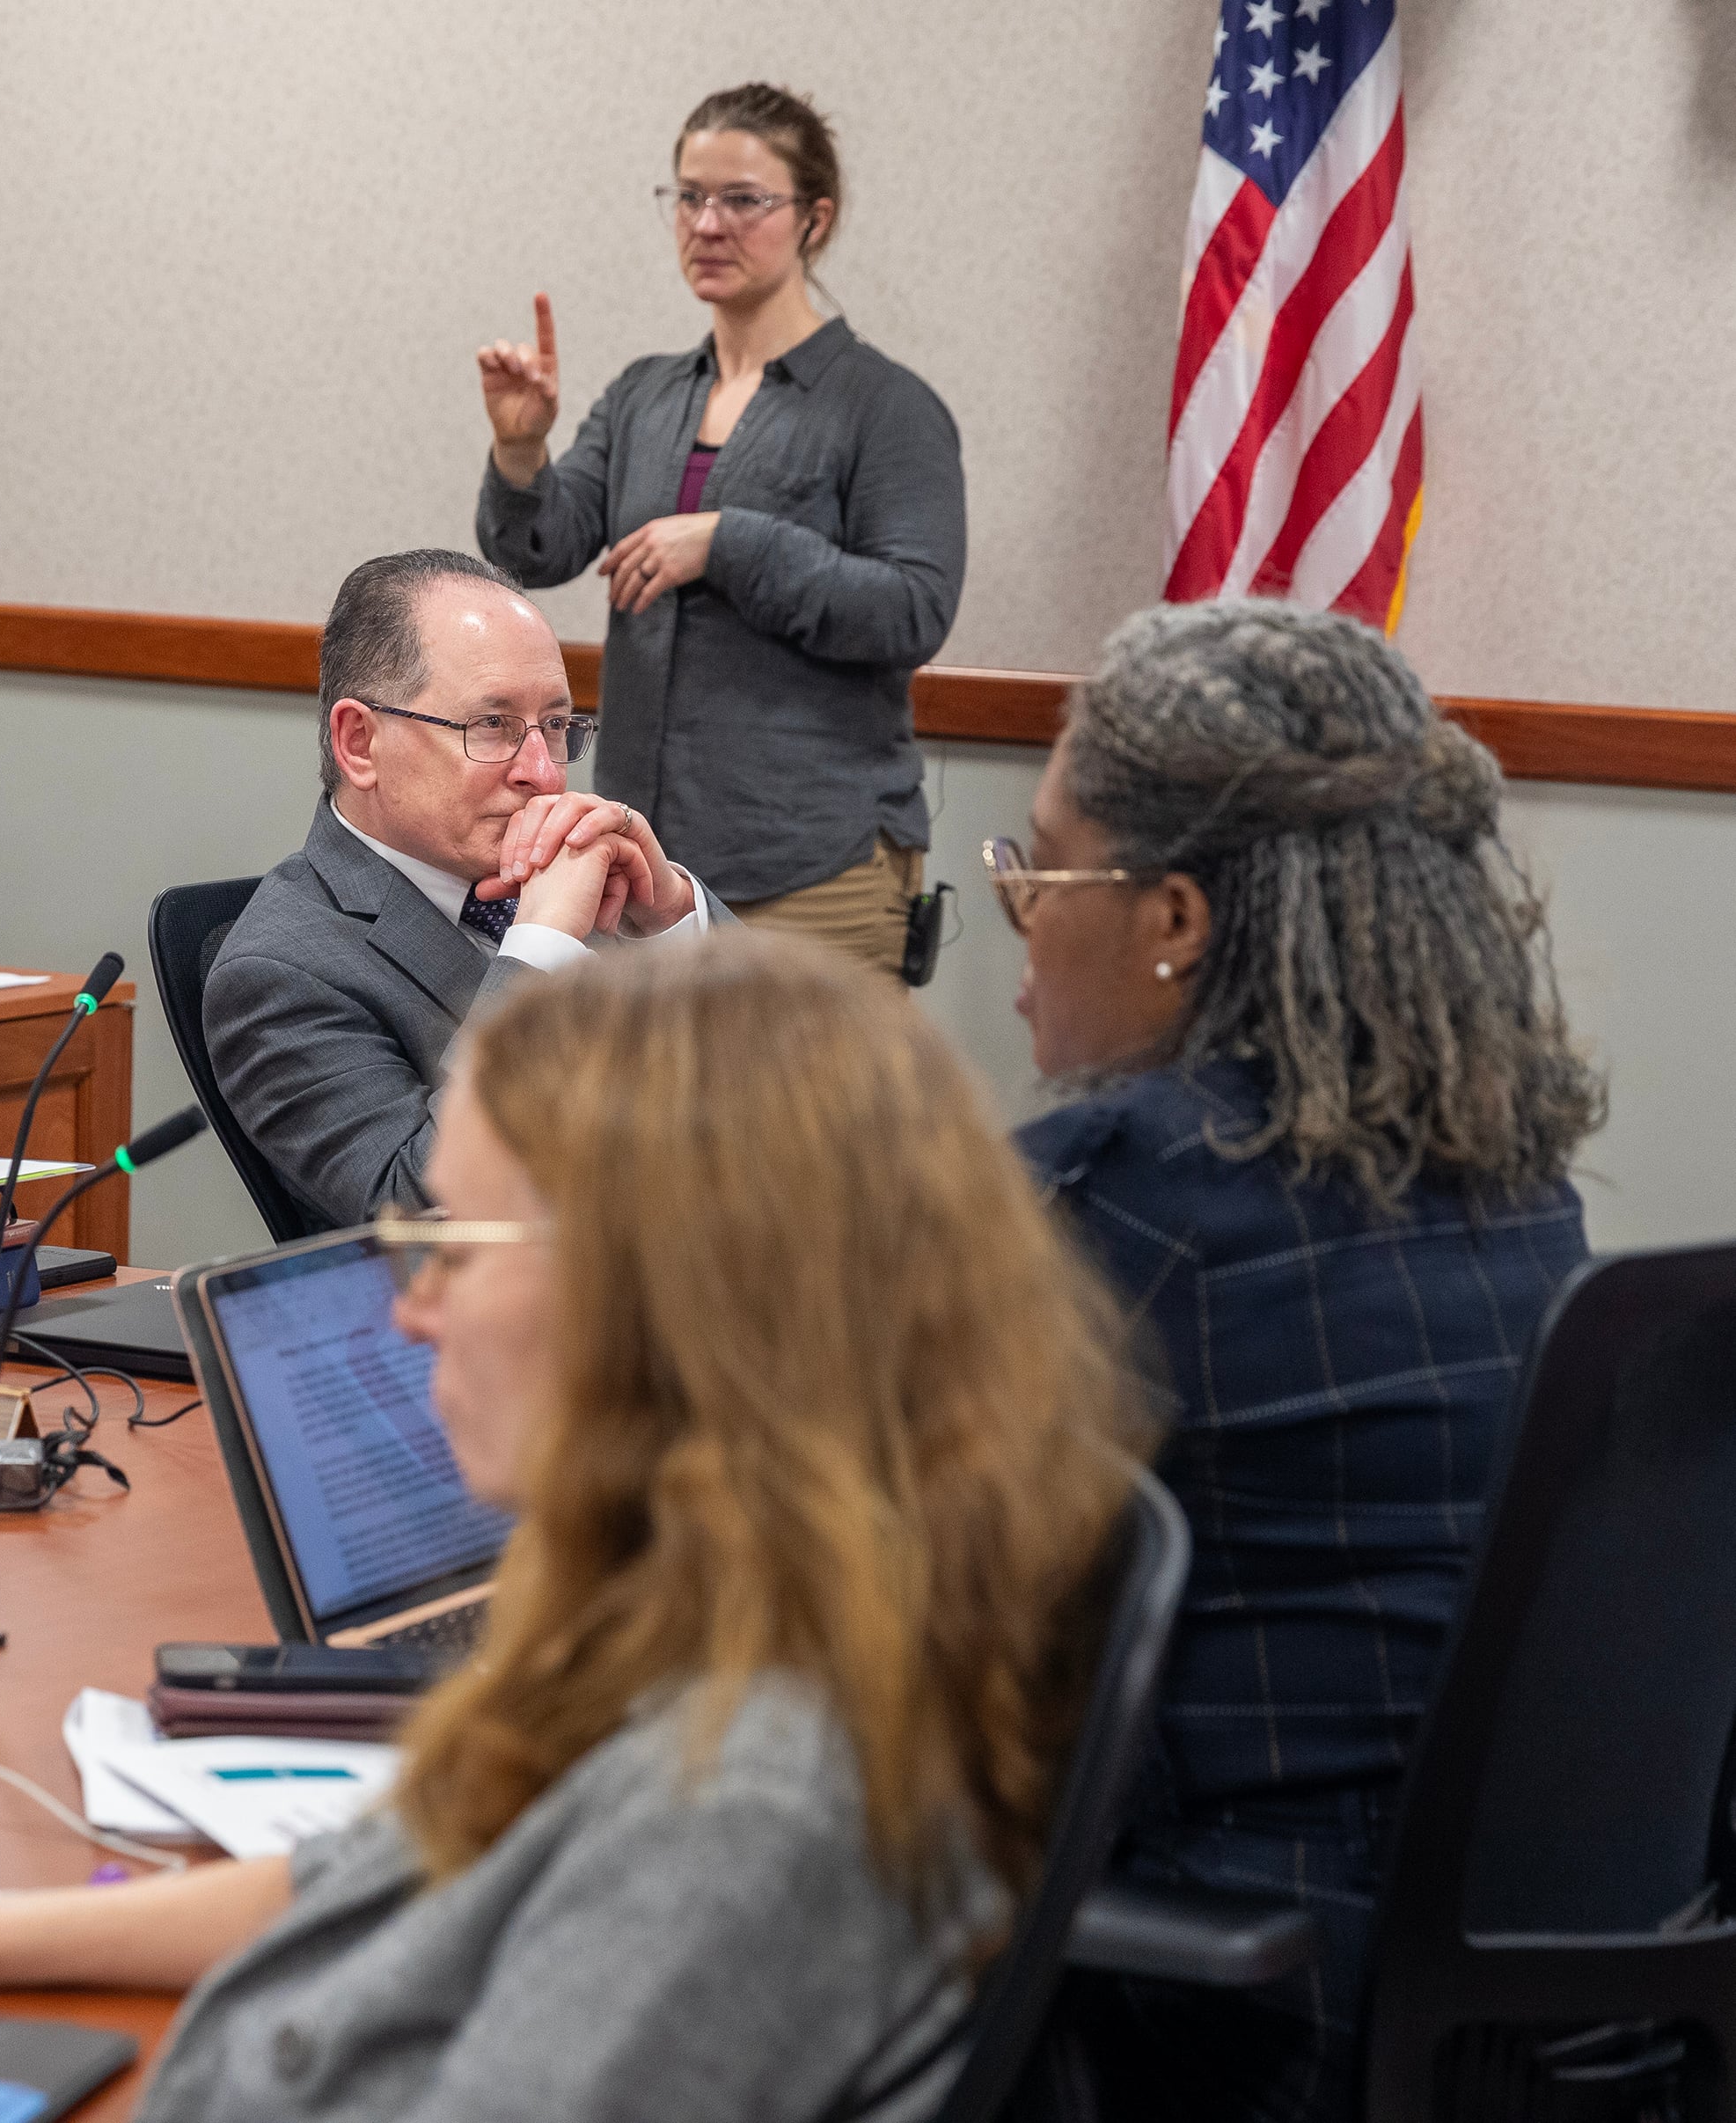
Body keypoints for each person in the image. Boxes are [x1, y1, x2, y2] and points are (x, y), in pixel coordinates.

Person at [0, 933, 1143, 2122]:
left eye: (449, 1242)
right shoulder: (734, 1609)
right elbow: (403, 1856)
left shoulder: (743, 1811)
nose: (406, 1304)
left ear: (664, 1296)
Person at [993, 601, 1604, 2123]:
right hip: (1529, 2026)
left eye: (1038, 864)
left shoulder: (1119, 1196)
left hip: (1220, 2027)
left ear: (1175, 920)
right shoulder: (1523, 1192)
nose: (1012, 912)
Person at [474, 84, 963, 977]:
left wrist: (726, 543)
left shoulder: (885, 406)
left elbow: (911, 607)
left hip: (811, 866)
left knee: (810, 1123)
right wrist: (519, 449)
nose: (707, 223)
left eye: (742, 200)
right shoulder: (645, 393)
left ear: (815, 218)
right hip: (648, 871)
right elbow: (536, 547)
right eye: (688, 196)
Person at [203, 549, 726, 1229]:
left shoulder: (587, 883)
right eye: (494, 726)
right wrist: (541, 949)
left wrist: (673, 919)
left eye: (557, 726)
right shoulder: (279, 972)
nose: (544, 773)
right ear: (359, 743)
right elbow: (424, 1209)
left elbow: (790, 1090)